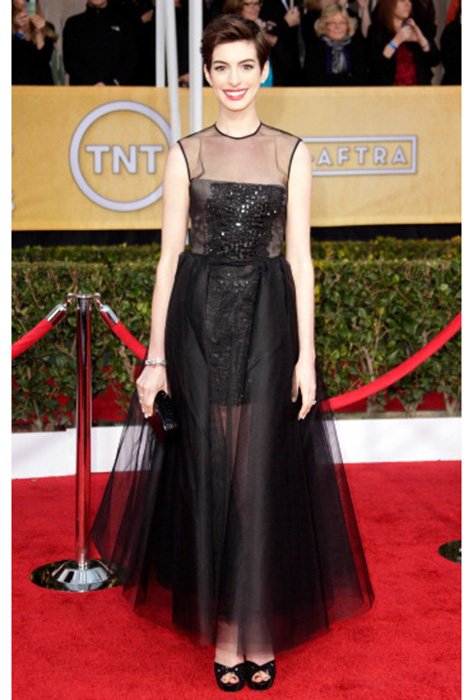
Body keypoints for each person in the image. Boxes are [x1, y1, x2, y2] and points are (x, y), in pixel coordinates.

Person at [90, 14, 374, 692]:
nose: (234, 80)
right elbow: (166, 261)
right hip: (197, 319)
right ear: (206, 75)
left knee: (256, 477)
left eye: (245, 65)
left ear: (263, 69)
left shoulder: (290, 151)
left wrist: (306, 359)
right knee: (212, 473)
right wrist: (155, 357)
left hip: (268, 325)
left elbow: (302, 261)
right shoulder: (184, 153)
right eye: (222, 68)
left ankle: (254, 624)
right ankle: (225, 630)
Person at [62, 0, 139, 86]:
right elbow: (70, 61)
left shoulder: (124, 24)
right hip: (82, 91)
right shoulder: (73, 24)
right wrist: (93, 83)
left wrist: (113, 82)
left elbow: (130, 59)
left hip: (116, 92)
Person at [367, 0, 439, 85]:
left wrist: (423, 42)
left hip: (419, 91)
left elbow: (435, 60)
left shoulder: (417, 27)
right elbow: (375, 66)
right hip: (388, 93)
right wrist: (397, 40)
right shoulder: (377, 31)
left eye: (410, 1)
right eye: (402, 1)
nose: (407, 4)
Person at [303, 3, 368, 85]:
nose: (337, 27)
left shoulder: (356, 47)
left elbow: (360, 79)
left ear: (348, 26)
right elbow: (313, 80)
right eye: (332, 23)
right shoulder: (315, 48)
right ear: (324, 26)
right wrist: (345, 78)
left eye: (342, 22)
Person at [223, 0, 276, 85]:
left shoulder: (259, 28)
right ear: (237, 6)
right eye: (248, 4)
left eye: (257, 3)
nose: (255, 8)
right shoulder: (230, 31)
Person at [259, 0, 304, 85]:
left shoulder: (299, 2)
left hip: (297, 69)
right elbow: (263, 33)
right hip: (275, 68)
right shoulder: (262, 3)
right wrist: (285, 23)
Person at [12, 0, 54, 85]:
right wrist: (20, 32)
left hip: (43, 87)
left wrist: (38, 32)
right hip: (16, 88)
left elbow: (44, 60)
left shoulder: (47, 27)